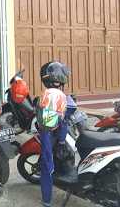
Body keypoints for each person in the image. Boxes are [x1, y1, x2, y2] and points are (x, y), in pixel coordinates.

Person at [37, 61, 71, 207]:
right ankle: (47, 200)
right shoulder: (60, 95)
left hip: (47, 134)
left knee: (47, 167)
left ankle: (47, 199)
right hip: (53, 133)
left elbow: (45, 122)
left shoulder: (47, 94)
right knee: (48, 165)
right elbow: (57, 120)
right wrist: (62, 139)